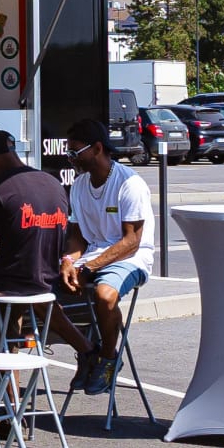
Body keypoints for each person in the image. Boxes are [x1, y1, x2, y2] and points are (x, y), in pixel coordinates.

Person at [0, 128, 98, 383]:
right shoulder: (52, 183)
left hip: (4, 285)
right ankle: (10, 404)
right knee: (5, 337)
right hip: (42, 283)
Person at [60, 117, 155, 395]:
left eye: (74, 152)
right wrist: (68, 262)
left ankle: (108, 357)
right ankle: (86, 350)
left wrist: (89, 267)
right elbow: (76, 236)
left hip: (131, 258)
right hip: (94, 255)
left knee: (104, 295)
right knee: (45, 293)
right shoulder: (79, 185)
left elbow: (132, 242)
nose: (70, 158)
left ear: (97, 148)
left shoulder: (129, 184)